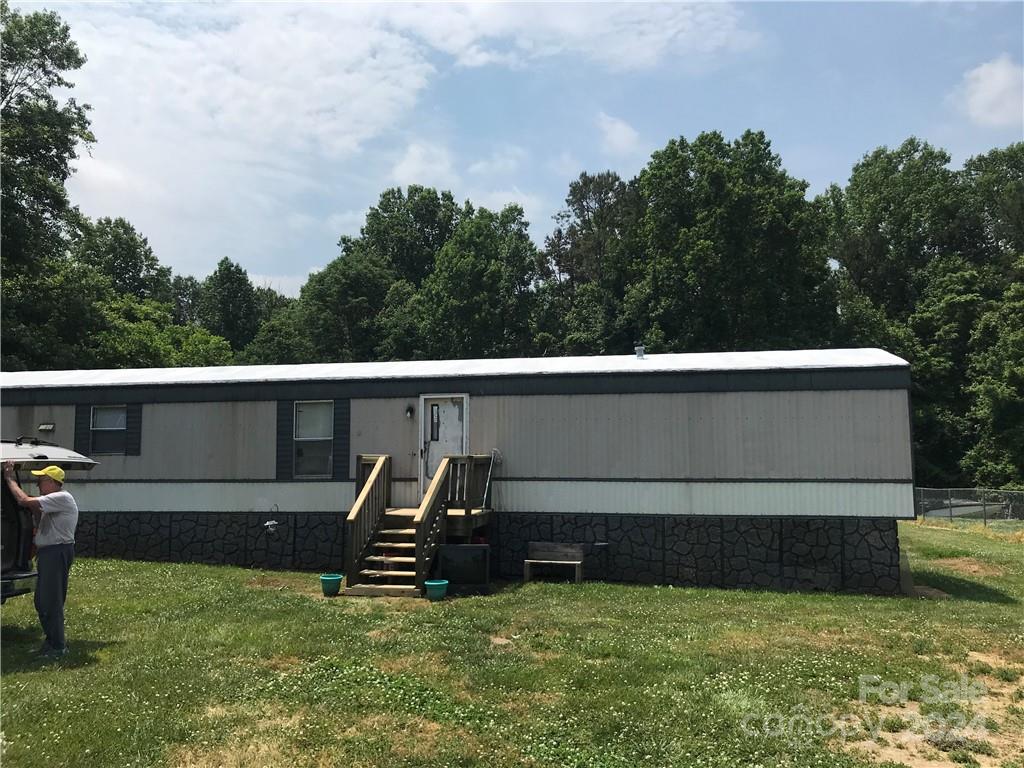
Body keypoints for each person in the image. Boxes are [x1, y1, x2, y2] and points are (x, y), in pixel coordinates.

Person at [2, 461, 78, 657]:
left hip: (56, 552)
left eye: (41, 480)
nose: (38, 484)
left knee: (50, 600)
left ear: (53, 481)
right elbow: (36, 513)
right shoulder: (52, 502)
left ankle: (58, 647)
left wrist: (9, 478)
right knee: (44, 600)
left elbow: (24, 501)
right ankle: (51, 642)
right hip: (50, 553)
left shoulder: (62, 497)